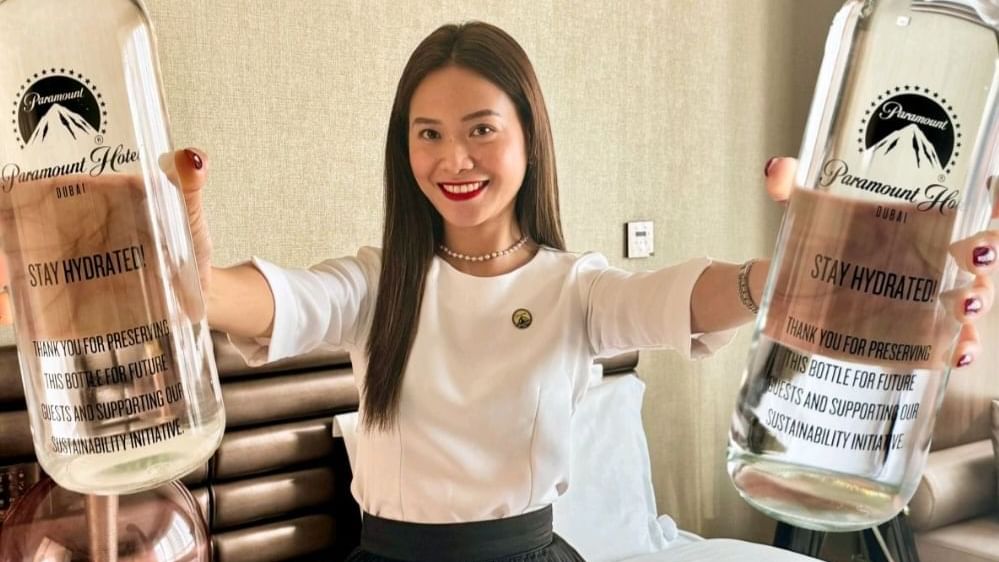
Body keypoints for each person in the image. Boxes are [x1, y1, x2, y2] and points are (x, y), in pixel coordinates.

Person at [7, 20, 996, 562]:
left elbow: (671, 297)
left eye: (481, 127)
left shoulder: (574, 288)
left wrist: (778, 280)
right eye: (427, 133)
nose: (454, 157)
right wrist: (175, 274)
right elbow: (261, 301)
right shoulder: (376, 285)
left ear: (527, 135)